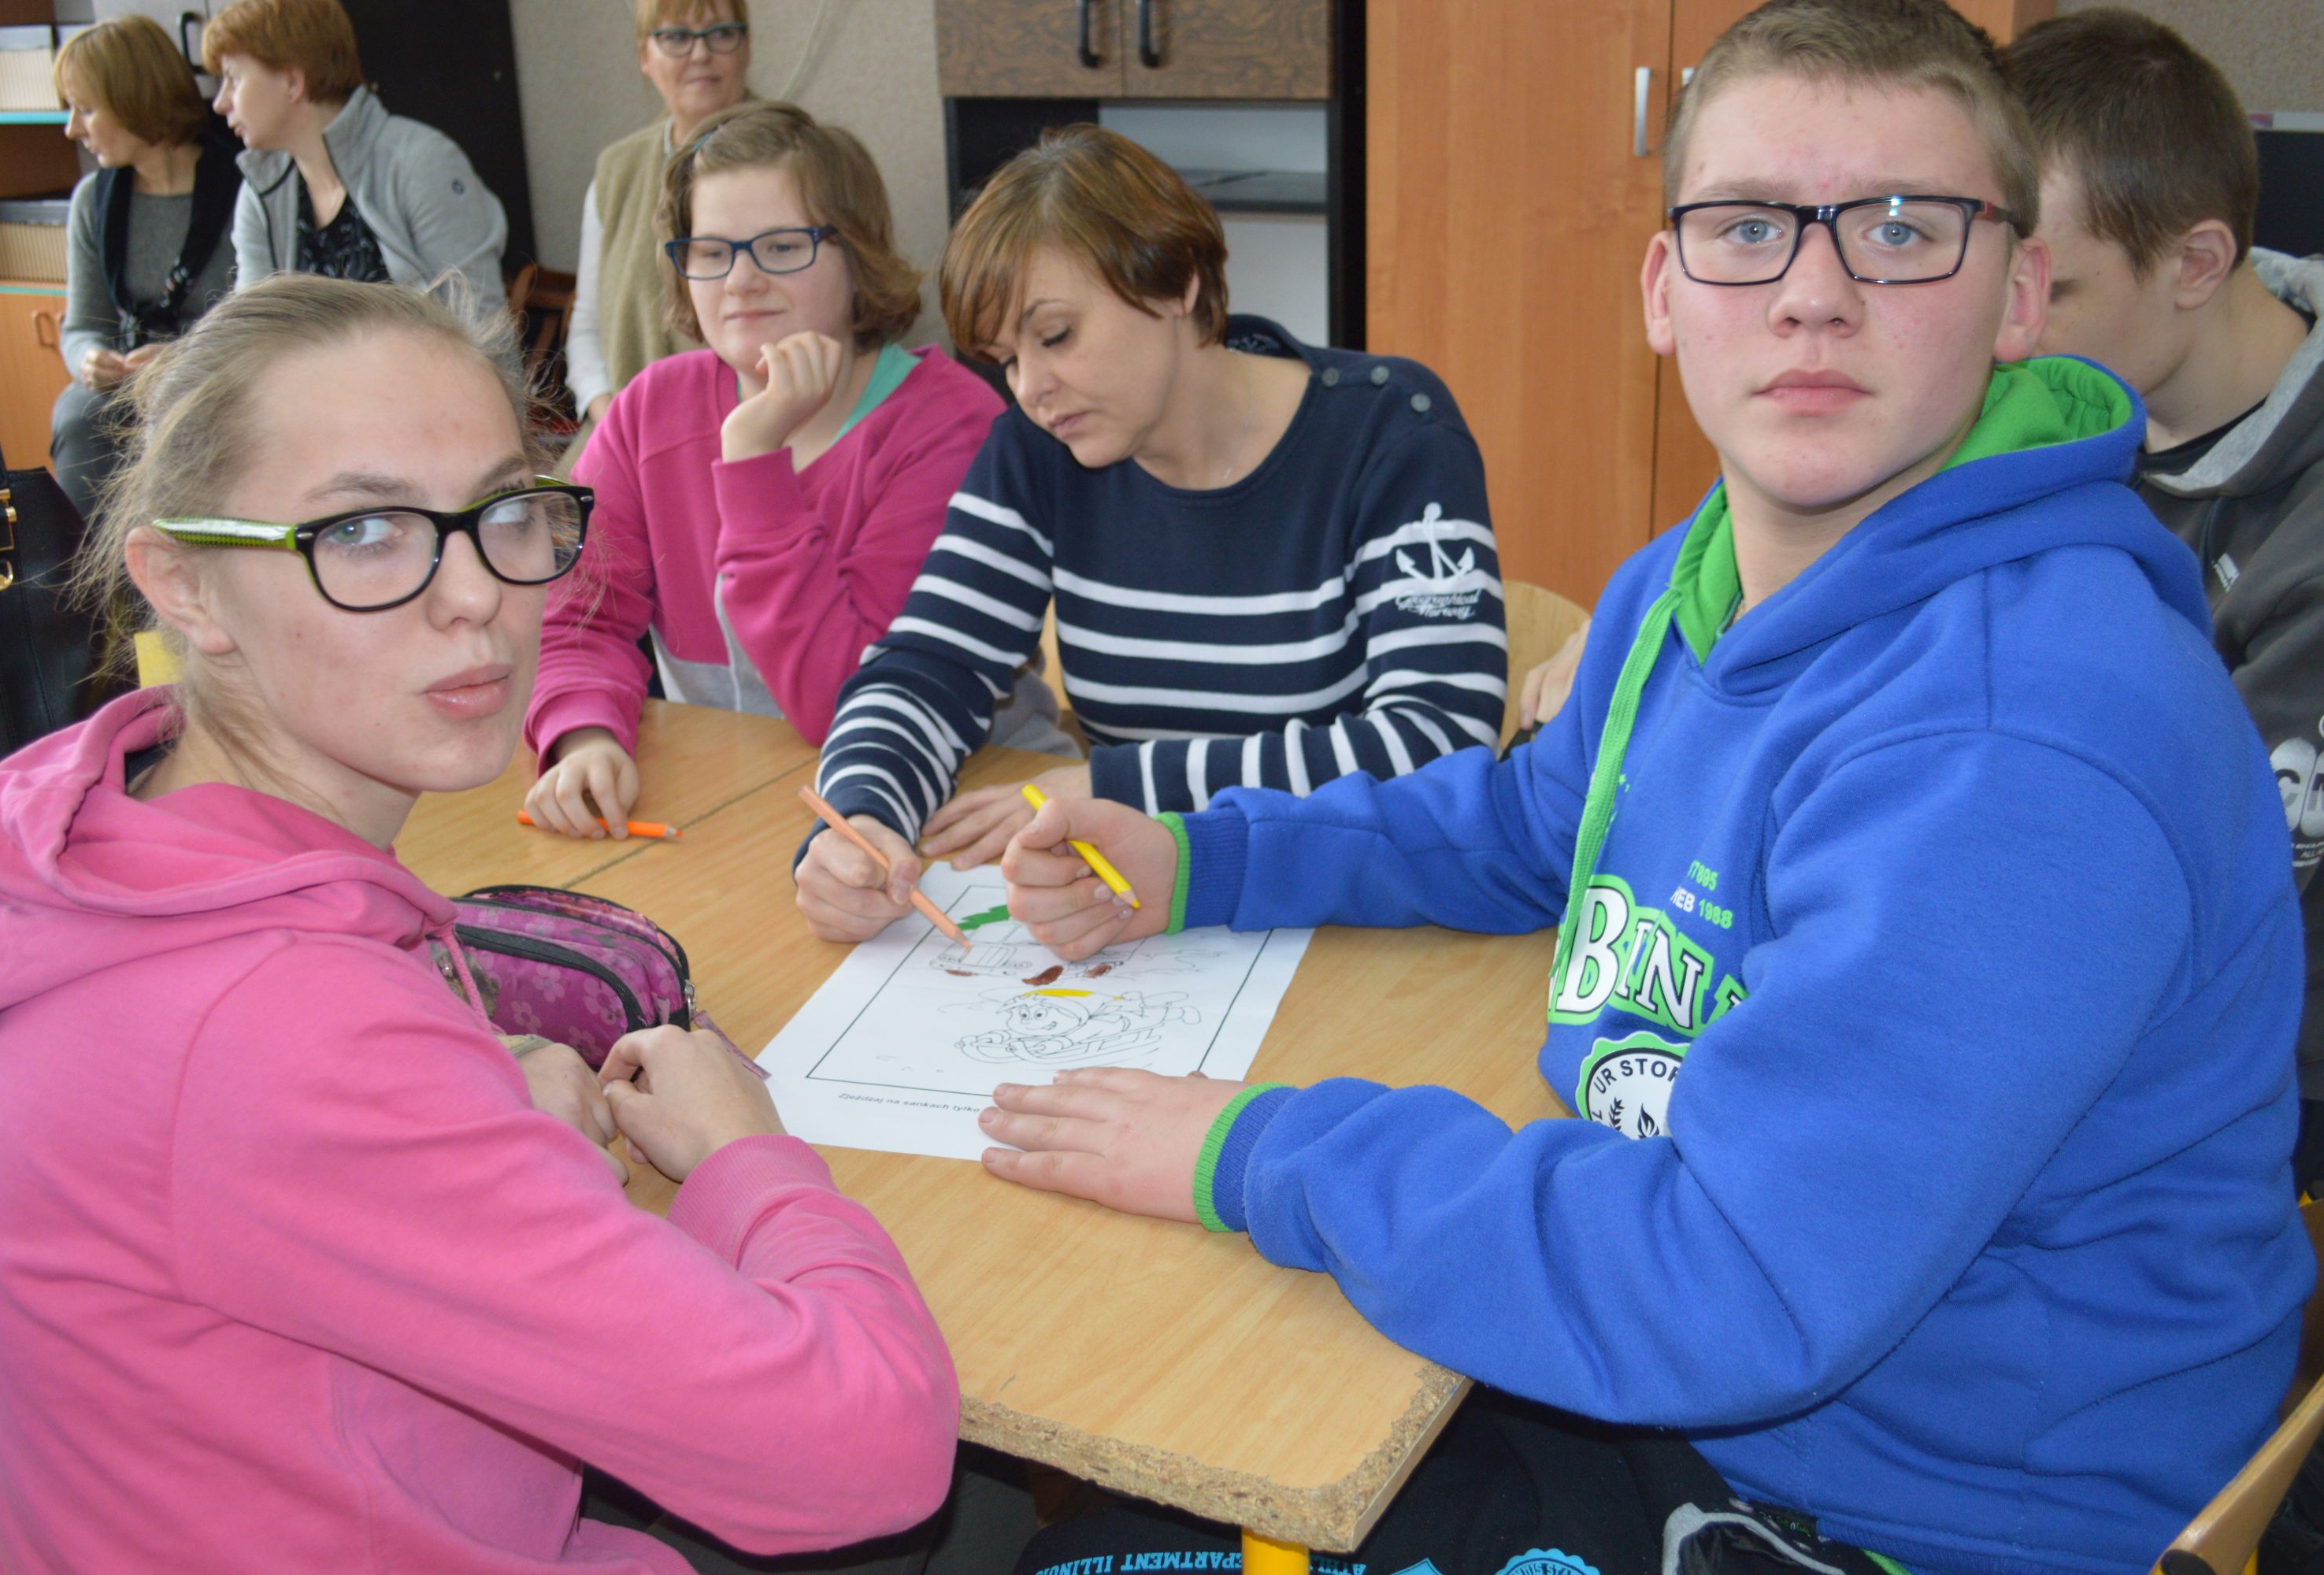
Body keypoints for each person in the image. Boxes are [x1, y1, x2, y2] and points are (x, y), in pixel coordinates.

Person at [977, 4, 2311, 1573]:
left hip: (1906, 1507)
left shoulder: (2020, 741)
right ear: (1663, 292)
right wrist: (1205, 859)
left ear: (2018, 293)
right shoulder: (1697, 577)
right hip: (1712, 1358)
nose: (1813, 292)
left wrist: (1264, 1151)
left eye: (1899, 229)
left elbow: (1731, 1284)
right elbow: (1531, 826)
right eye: (1747, 228)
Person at [0, 276, 956, 1570]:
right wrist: (743, 1150)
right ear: (187, 588)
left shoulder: (107, 838)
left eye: (502, 512)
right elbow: (868, 1451)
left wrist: (471, 1087)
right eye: (365, 530)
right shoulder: (278, 1031)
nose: (477, 593)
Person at [795, 126, 1507, 944]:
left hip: (1349, 917)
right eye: (1005, 358)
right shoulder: (1039, 448)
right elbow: (929, 666)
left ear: (1175, 283)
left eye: (1055, 336)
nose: (1031, 388)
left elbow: (1437, 744)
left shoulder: (1390, 431)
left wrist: (1122, 784)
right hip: (1138, 916)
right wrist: (860, 817)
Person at [523, 101, 1050, 836]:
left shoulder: (951, 426)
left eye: (780, 246)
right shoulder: (650, 410)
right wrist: (584, 736)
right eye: (710, 252)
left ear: (856, 254)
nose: (740, 280)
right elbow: (576, 622)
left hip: (954, 806)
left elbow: (848, 704)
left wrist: (753, 463)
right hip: (739, 799)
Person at [2003, 9, 2324, 1198]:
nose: (2000, 337)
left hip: (2251, 1081)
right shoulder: (2060, 395)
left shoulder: (2307, 551)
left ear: (2194, 265)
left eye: (2051, 289)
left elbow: (2183, 900)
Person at [49, 13, 239, 516]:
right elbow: (81, 327)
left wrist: (182, 358)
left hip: (221, 374)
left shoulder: (245, 186)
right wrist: (90, 359)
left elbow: (265, 318)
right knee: (77, 414)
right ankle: (100, 565)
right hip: (129, 383)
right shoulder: (92, 200)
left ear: (136, 99)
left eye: (86, 109)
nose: (72, 129)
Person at [206, 0, 506, 301]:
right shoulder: (260, 193)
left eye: (233, 79)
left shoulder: (422, 163)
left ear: (292, 82)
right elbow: (251, 322)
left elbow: (480, 322)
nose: (220, 103)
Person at [567, 0, 754, 443]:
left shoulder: (793, 163)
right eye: (676, 37)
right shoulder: (616, 171)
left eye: (721, 33)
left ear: (746, 47)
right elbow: (587, 325)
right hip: (621, 434)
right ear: (644, 57)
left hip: (751, 434)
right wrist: (610, 418)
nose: (701, 54)